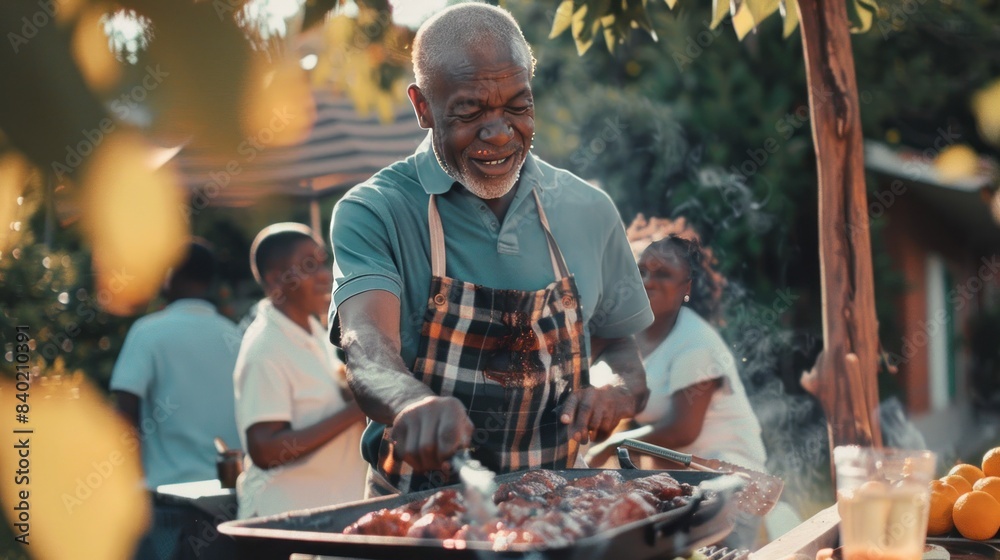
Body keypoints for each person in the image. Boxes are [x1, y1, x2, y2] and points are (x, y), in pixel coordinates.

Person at [329, 3, 653, 497]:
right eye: (471, 111)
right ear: (422, 107)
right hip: (420, 514)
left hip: (559, 509)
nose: (499, 132)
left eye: (518, 107)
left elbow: (619, 346)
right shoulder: (376, 211)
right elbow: (366, 345)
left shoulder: (589, 210)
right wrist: (409, 400)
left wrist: (614, 387)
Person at [587, 215, 768, 548]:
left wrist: (613, 445)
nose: (648, 281)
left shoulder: (695, 341)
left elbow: (682, 429)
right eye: (640, 271)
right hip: (681, 490)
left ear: (687, 288)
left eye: (663, 274)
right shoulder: (627, 337)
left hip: (730, 492)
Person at [110, 239, 242, 559]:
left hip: (165, 503)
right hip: (227, 500)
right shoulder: (235, 335)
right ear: (211, 281)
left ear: (168, 276)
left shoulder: (148, 332)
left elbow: (124, 410)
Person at [234, 223, 367, 518]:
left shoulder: (313, 330)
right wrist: (359, 408)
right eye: (308, 266)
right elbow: (265, 449)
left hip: (324, 514)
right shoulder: (265, 347)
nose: (324, 275)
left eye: (323, 263)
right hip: (283, 520)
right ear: (275, 280)